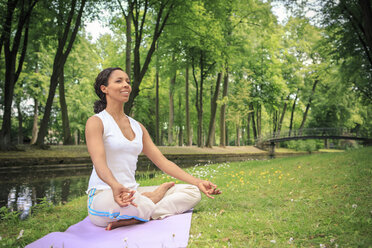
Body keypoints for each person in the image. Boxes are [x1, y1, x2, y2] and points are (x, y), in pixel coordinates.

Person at [85, 67, 221, 230]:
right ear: (104, 88)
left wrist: (198, 182)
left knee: (192, 192)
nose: (126, 85)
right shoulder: (96, 122)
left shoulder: (137, 127)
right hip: (105, 194)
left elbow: (163, 162)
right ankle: (150, 202)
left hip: (133, 194)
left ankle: (139, 216)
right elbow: (99, 163)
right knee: (137, 203)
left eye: (128, 81)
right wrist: (115, 185)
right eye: (119, 81)